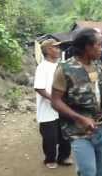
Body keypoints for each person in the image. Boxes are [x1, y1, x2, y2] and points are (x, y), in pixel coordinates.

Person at [51, 28, 102, 176]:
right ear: (88, 47)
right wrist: (79, 118)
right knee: (88, 173)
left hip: (100, 129)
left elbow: (97, 96)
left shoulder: (98, 68)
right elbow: (55, 101)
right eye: (99, 45)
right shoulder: (65, 69)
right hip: (78, 132)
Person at [34, 39, 72, 169]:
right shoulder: (42, 67)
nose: (59, 50)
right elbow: (39, 87)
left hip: (62, 107)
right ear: (49, 50)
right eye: (56, 47)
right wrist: (54, 99)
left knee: (65, 134)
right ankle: (50, 159)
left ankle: (63, 157)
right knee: (50, 137)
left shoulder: (60, 66)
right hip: (47, 110)